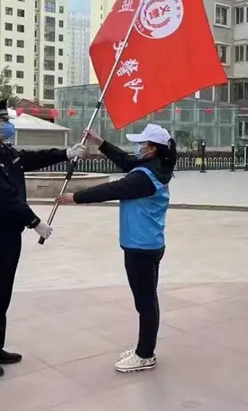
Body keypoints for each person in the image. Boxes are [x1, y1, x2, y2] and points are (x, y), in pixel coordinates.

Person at [0, 99, 91, 378]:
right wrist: (34, 222)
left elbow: (31, 158)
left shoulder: (3, 150)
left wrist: (66, 153)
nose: (8, 126)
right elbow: (4, 198)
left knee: (2, 294)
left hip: (8, 235)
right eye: (3, 122)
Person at [55, 124, 176, 373]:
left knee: (145, 302)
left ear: (153, 149)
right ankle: (144, 348)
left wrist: (75, 197)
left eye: (142, 144)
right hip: (149, 242)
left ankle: (145, 354)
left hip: (140, 247)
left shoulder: (144, 177)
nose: (138, 147)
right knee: (147, 299)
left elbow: (112, 189)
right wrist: (100, 142)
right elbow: (126, 161)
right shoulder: (155, 167)